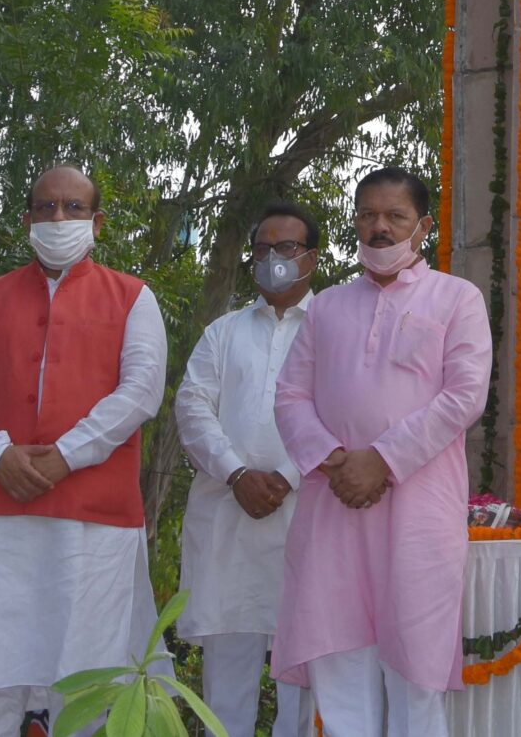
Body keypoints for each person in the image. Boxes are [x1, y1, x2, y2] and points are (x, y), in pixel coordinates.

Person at [0, 166, 168, 737]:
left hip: (95, 521)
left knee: (87, 682)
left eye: (73, 207)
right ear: (28, 218)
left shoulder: (135, 298)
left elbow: (140, 392)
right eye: (46, 207)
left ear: (97, 222)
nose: (59, 218)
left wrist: (66, 455)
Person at [273, 168, 490, 737]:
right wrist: (334, 460)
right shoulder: (326, 308)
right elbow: (291, 395)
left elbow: (465, 395)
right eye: (368, 214)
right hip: (334, 508)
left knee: (416, 674)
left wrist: (384, 460)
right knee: (340, 674)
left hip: (419, 512)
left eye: (394, 216)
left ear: (422, 226)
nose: (379, 227)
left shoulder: (457, 298)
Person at [177, 204, 321, 737]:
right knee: (225, 688)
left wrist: (288, 475)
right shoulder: (223, 332)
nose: (273, 259)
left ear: (312, 257)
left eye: (286, 248)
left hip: (305, 518)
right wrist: (237, 474)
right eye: (262, 249)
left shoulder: (334, 327)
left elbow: (342, 411)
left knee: (303, 680)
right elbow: (192, 408)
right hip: (228, 521)